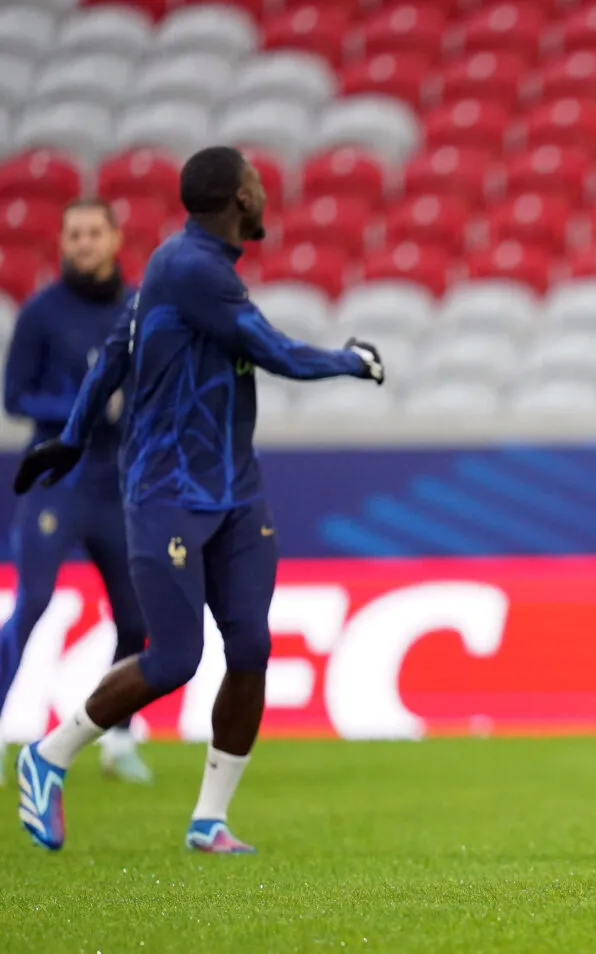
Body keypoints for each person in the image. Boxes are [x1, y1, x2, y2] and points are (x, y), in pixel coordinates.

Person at [12, 145, 385, 853]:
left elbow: (115, 355)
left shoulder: (178, 270)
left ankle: (209, 820)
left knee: (250, 645)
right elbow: (272, 350)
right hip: (167, 489)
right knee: (176, 657)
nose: (261, 191)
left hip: (235, 490)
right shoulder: (191, 269)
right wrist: (351, 360)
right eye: (252, 183)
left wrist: (70, 434)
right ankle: (50, 753)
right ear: (235, 199)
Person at [0, 199, 154, 786]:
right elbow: (16, 398)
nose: (84, 243)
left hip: (117, 487)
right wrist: (84, 410)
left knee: (136, 618)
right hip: (57, 483)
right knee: (32, 605)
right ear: (62, 243)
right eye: (74, 234)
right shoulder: (41, 312)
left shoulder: (140, 307)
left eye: (95, 233)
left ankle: (119, 738)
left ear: (116, 239)